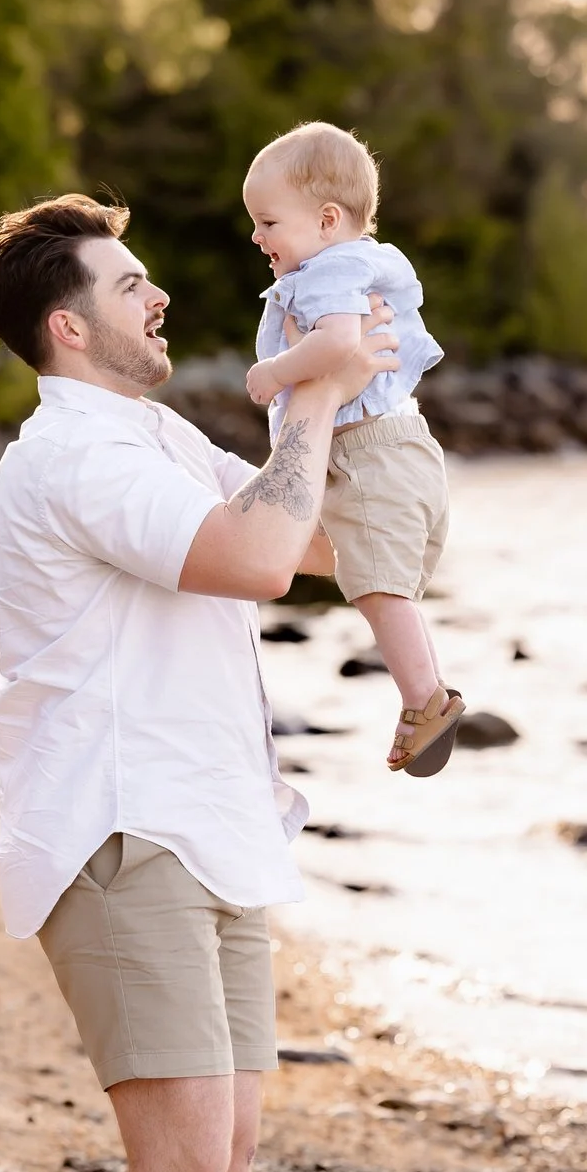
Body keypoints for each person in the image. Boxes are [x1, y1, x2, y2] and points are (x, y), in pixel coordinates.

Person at [0, 192, 394, 1172]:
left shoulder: (156, 435)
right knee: (184, 1160)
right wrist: (311, 396)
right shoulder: (72, 453)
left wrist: (384, 452)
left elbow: (312, 542)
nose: (161, 300)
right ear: (68, 323)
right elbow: (256, 556)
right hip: (116, 825)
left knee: (227, 1171)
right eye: (133, 283)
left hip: (215, 826)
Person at [241, 121, 463, 776]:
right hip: (402, 444)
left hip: (367, 452)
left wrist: (275, 372)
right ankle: (423, 689)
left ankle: (425, 696)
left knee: (376, 587)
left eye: (268, 221)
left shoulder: (329, 272)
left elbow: (340, 344)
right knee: (379, 577)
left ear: (328, 219)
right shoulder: (361, 260)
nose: (257, 236)